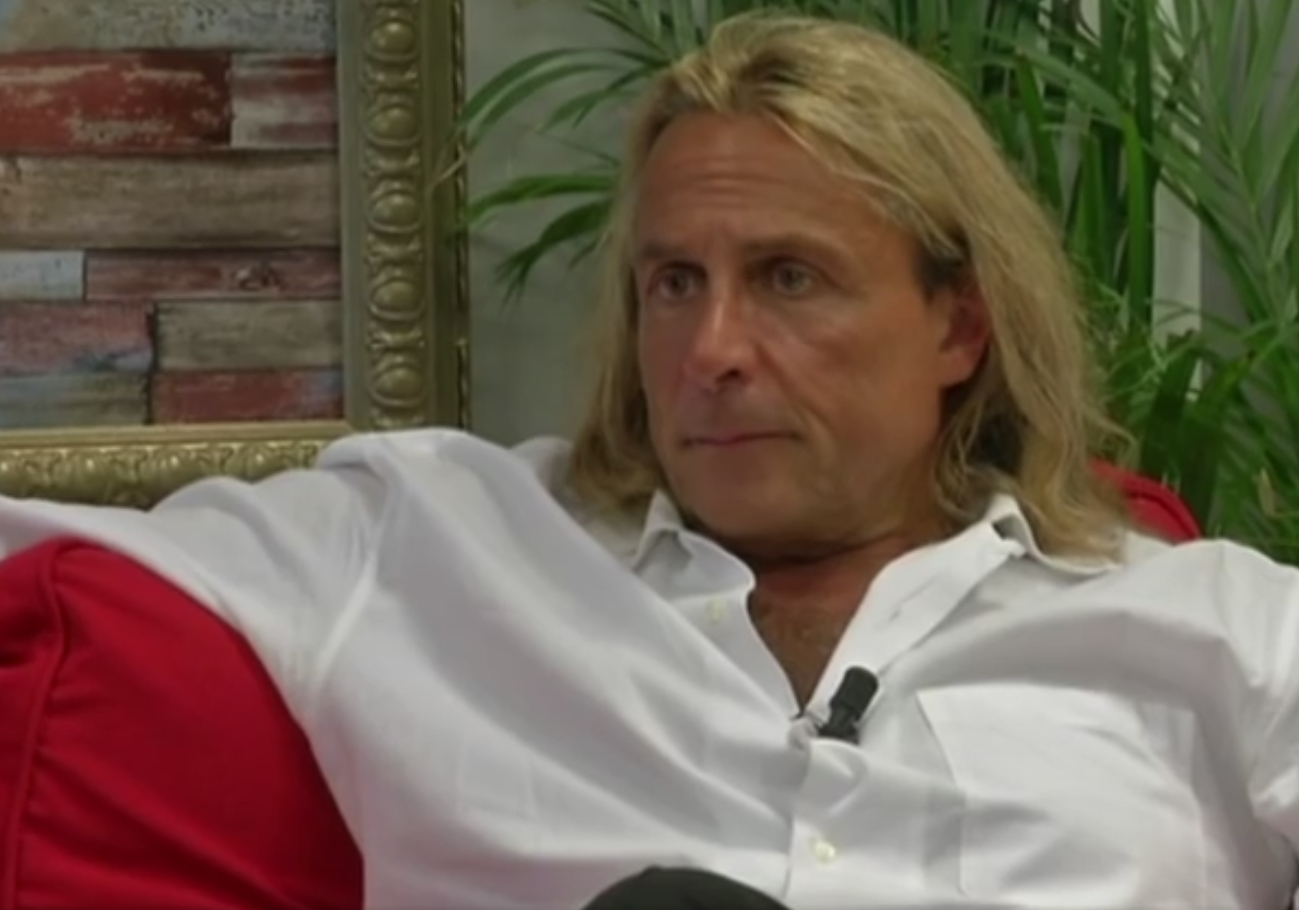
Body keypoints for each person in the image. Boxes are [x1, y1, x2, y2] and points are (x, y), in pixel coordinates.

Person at [2, 13, 1298, 910]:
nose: (712, 349)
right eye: (674, 282)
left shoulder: (1213, 629)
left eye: (788, 278)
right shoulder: (421, 539)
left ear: (957, 325)